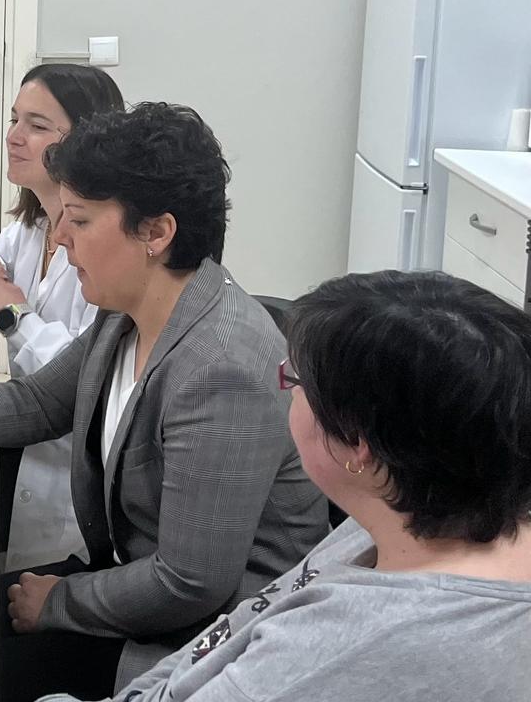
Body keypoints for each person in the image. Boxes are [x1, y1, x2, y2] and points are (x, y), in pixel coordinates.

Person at [0, 103, 327, 700]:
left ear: (156, 232)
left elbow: (191, 583)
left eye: (78, 219)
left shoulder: (220, 367)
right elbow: (38, 403)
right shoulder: (129, 309)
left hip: (205, 641)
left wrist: (61, 602)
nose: (60, 237)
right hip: (133, 585)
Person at [40, 271, 531, 701]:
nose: (285, 388)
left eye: (294, 381)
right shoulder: (402, 515)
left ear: (356, 443)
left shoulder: (343, 645)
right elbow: (220, 645)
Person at [0, 63, 124, 570]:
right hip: (28, 436)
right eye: (13, 119)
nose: (13, 137)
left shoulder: (103, 248)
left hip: (73, 471)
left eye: (37, 125)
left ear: (85, 142)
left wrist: (13, 316)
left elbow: (81, 377)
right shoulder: (36, 224)